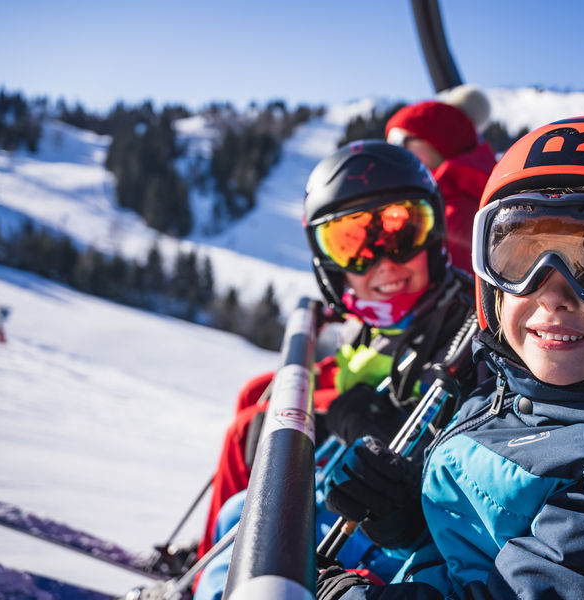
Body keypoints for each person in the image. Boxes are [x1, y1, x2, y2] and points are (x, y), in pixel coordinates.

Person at [317, 116, 584, 599]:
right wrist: (408, 519)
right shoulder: (513, 394)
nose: (552, 294)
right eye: (521, 258)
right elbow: (490, 544)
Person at [192, 139, 477, 598]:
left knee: (246, 508)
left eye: (402, 232)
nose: (384, 261)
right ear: (328, 262)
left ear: (435, 232)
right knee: (238, 508)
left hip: (399, 525)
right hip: (363, 487)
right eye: (351, 242)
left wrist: (359, 420)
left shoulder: (463, 330)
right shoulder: (369, 320)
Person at [385, 87, 497, 275]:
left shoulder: (455, 213)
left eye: (399, 141)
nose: (393, 153)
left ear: (437, 142)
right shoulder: (434, 199)